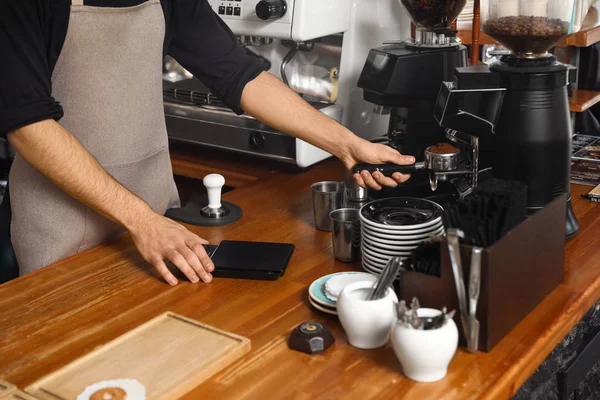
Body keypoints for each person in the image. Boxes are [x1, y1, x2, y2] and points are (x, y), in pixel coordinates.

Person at [0, 0, 415, 285]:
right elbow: (29, 125)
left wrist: (345, 144)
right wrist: (142, 221)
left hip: (158, 221)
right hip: (61, 225)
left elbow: (238, 74)